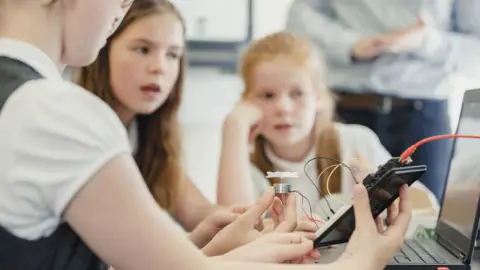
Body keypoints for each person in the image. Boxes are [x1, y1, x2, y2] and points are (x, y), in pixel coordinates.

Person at [0, 0, 413, 269]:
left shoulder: (27, 99)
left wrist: (207, 250)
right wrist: (361, 261)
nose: (122, 6)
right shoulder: (52, 111)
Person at [74, 0, 318, 252]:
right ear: (103, 48)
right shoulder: (80, 129)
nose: (159, 67)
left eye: (173, 55)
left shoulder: (147, 135)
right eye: (142, 49)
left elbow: (200, 212)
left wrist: (274, 227)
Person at [217, 31, 438, 219]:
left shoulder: (356, 142)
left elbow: (429, 209)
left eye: (297, 93)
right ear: (246, 103)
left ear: (319, 97)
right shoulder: (243, 160)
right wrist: (234, 128)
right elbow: (233, 228)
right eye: (267, 95)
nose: (283, 107)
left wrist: (383, 195)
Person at [283, 0, 480, 202]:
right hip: (345, 109)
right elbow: (299, 18)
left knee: (426, 220)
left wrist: (427, 41)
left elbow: (475, 48)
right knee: (335, 216)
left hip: (423, 117)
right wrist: (350, 44)